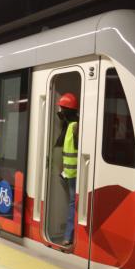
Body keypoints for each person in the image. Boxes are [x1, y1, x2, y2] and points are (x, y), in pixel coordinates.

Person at [56, 93, 79, 246]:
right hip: (70, 173)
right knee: (73, 203)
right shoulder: (69, 125)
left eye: (61, 109)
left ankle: (68, 236)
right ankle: (68, 235)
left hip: (76, 174)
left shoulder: (74, 126)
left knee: (73, 203)